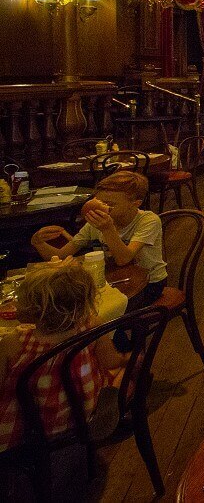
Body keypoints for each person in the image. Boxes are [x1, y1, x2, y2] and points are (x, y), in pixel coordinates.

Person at [0, 263, 122, 452]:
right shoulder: (91, 326)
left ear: (33, 310)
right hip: (81, 414)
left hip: (31, 427)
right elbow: (111, 361)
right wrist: (128, 358)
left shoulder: (13, 342)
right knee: (121, 374)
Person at [30, 172, 167, 316]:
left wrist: (108, 229)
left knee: (95, 315)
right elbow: (60, 256)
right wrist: (38, 242)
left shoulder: (148, 220)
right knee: (67, 309)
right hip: (112, 282)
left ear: (135, 204)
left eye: (110, 204)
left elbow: (124, 259)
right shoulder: (95, 224)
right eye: (99, 202)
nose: (102, 208)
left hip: (149, 284)